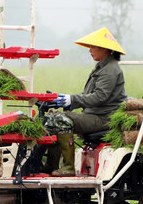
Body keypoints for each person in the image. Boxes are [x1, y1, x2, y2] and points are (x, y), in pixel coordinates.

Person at [46, 27, 127, 176]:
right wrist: (66, 100)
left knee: (59, 120)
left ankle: (68, 168)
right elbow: (88, 95)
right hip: (94, 115)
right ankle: (50, 165)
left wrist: (71, 99)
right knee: (52, 118)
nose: (90, 50)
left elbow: (100, 97)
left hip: (103, 118)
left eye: (93, 46)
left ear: (105, 49)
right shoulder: (101, 68)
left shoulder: (110, 70)